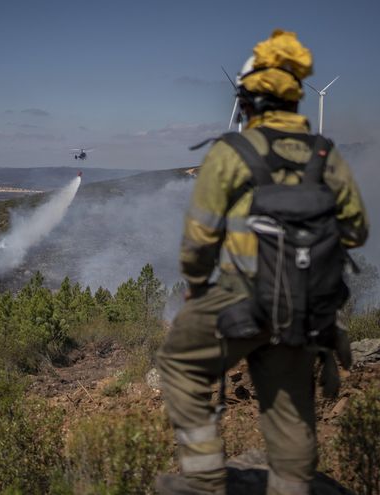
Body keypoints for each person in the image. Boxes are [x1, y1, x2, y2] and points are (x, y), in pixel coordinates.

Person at [155, 30, 368, 495]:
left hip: (242, 297)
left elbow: (199, 240)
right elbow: (356, 231)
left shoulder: (233, 153)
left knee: (180, 363)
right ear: (294, 100)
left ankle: (205, 479)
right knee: (291, 409)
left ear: (247, 99)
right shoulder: (325, 155)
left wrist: (195, 284)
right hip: (302, 309)